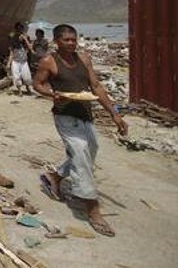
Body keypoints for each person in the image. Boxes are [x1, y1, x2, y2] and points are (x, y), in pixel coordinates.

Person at [33, 24, 128, 237]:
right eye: (66, 40)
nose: (71, 43)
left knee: (90, 150)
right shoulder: (49, 61)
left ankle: (54, 177)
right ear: (56, 41)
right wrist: (52, 95)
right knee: (82, 156)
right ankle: (92, 208)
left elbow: (96, 86)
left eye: (73, 39)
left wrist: (114, 114)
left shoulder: (84, 58)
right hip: (65, 115)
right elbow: (37, 83)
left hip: (85, 113)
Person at [8, 22, 34, 95]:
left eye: (20, 29)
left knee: (27, 76)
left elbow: (30, 48)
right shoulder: (13, 39)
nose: (19, 30)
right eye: (18, 29)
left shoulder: (25, 38)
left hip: (24, 61)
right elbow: (11, 52)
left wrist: (25, 39)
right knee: (16, 77)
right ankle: (20, 91)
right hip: (15, 61)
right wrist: (8, 63)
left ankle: (28, 88)